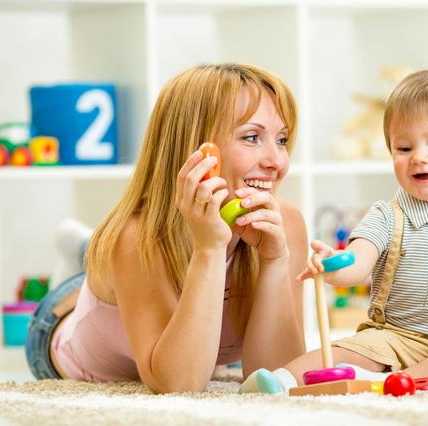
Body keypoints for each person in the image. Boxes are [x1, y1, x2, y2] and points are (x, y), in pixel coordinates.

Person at [241, 69, 428, 394]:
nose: (419, 157)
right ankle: (281, 380)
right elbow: (360, 260)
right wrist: (334, 264)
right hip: (388, 338)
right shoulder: (387, 215)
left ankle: (405, 378)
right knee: (336, 353)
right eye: (403, 148)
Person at [26, 63, 308, 393]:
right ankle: (84, 251)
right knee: (106, 252)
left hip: (171, 318)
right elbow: (177, 385)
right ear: (200, 150)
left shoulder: (285, 224)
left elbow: (275, 376)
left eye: (282, 139)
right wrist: (209, 248)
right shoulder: (137, 238)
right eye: (251, 137)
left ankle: (85, 247)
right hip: (63, 333)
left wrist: (274, 262)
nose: (277, 161)